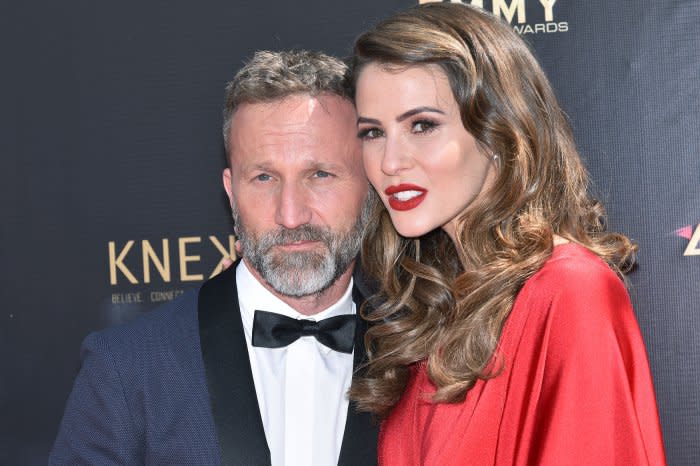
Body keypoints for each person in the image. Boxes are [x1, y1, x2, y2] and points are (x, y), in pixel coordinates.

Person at [348, 3, 666, 465]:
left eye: (422, 125)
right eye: (373, 132)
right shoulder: (435, 310)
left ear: (497, 131)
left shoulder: (569, 290)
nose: (390, 162)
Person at [50, 50, 378, 466]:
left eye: (320, 175)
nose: (291, 215)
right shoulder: (126, 370)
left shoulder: (421, 355)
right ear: (231, 190)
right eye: (264, 177)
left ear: (369, 181)